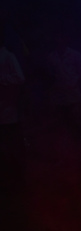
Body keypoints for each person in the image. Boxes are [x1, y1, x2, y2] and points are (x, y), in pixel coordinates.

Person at [47, 30, 81, 145]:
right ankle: (67, 149)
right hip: (59, 97)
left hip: (73, 95)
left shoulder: (75, 55)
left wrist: (74, 82)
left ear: (66, 39)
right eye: (57, 38)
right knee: (63, 124)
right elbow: (50, 75)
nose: (59, 41)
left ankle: (80, 148)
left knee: (77, 123)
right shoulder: (51, 57)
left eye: (61, 38)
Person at [0, 27, 25, 191]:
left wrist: (3, 79)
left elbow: (20, 77)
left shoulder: (8, 55)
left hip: (7, 107)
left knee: (11, 143)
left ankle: (17, 179)